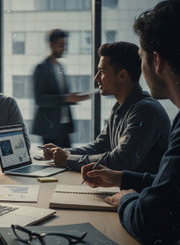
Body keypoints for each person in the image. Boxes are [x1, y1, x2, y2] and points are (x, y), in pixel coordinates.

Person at [81, 1, 180, 243]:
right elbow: (173, 185)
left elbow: (150, 219)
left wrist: (124, 198)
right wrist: (121, 178)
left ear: (156, 60)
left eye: (141, 57)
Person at [43, 42, 170, 173]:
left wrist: (69, 159)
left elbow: (120, 160)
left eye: (102, 71)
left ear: (122, 75)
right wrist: (63, 152)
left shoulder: (145, 111)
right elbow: (100, 146)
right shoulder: (119, 107)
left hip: (140, 192)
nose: (96, 78)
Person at [32, 29, 89, 147]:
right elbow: (40, 99)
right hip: (50, 128)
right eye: (60, 45)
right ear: (51, 45)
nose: (64, 48)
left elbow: (63, 95)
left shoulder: (60, 67)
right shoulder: (41, 67)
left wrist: (74, 98)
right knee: (52, 163)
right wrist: (66, 98)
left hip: (64, 126)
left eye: (65, 45)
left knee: (68, 159)